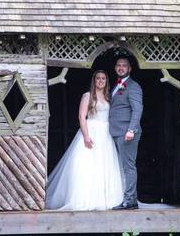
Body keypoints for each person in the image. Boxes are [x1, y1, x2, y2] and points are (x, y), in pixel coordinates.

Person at [45, 70, 124, 210]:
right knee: (88, 165)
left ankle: (108, 199)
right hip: (91, 131)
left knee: (105, 165)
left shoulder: (108, 97)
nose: (100, 81)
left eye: (103, 79)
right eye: (98, 78)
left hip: (106, 134)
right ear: (94, 80)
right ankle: (85, 198)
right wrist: (86, 136)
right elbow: (82, 117)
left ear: (106, 81)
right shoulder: (87, 96)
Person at [108, 56, 143, 209]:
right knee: (120, 166)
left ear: (129, 69)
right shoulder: (115, 86)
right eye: (118, 65)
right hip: (115, 132)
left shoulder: (133, 86)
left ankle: (129, 200)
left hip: (126, 133)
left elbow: (137, 109)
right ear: (115, 68)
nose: (121, 68)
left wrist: (131, 130)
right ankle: (131, 199)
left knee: (128, 166)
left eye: (124, 66)